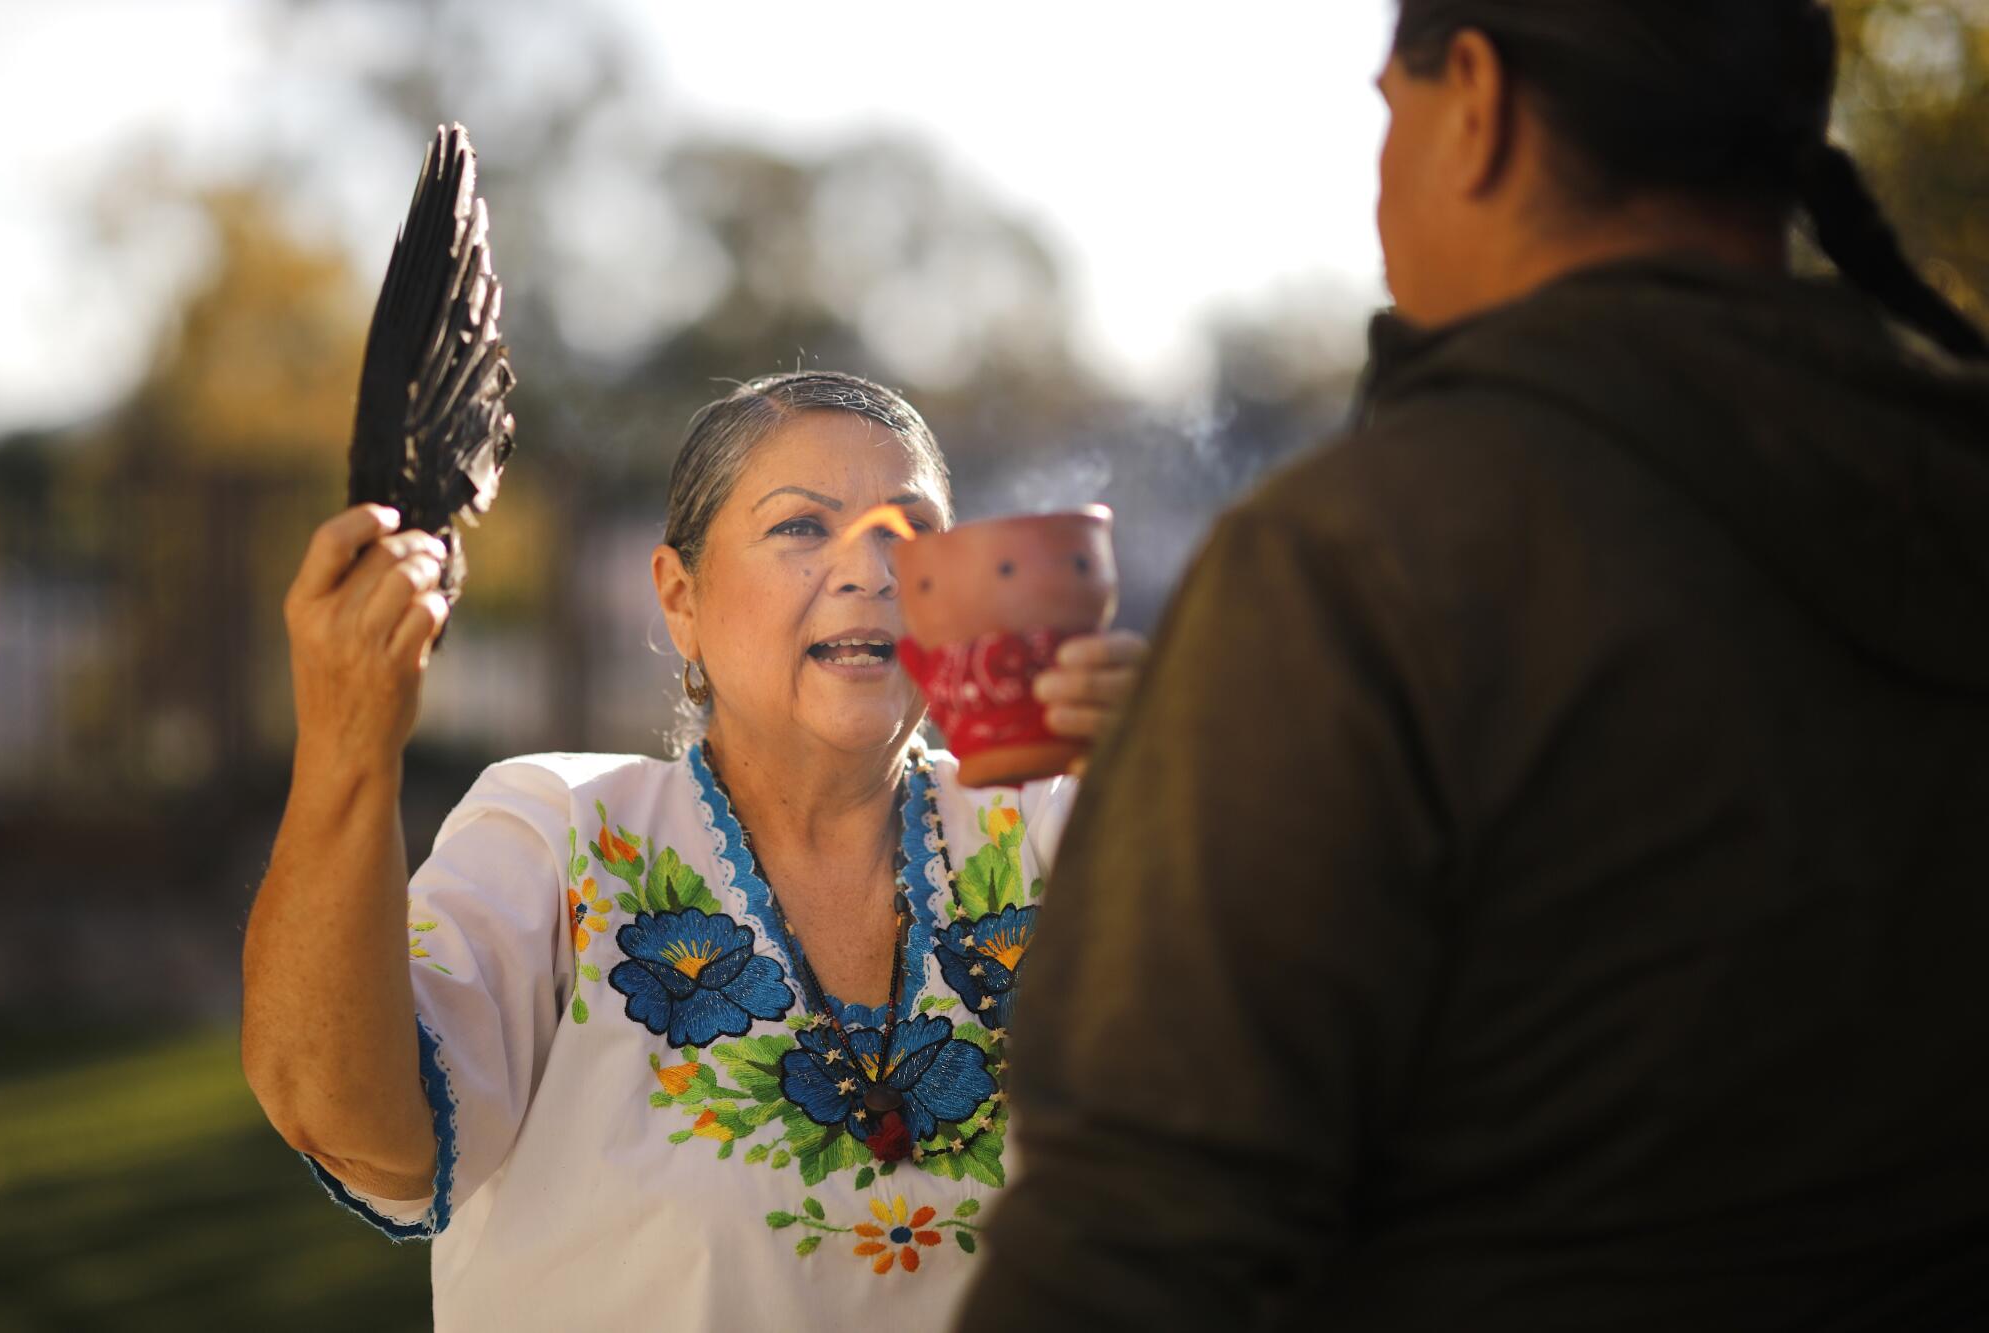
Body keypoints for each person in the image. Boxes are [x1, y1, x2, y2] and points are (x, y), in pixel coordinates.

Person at [961, 3, 1989, 1330]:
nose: (1380, 169)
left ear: (1479, 105)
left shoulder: (1361, 559)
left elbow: (1136, 1232)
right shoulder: (1947, 487)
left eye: (1390, 108)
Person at [241, 371, 1145, 1329]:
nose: (870, 569)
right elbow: (352, 1123)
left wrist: (1185, 771)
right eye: (802, 526)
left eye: (908, 531)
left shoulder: (1048, 825)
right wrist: (348, 744)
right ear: (682, 598)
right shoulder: (560, 835)